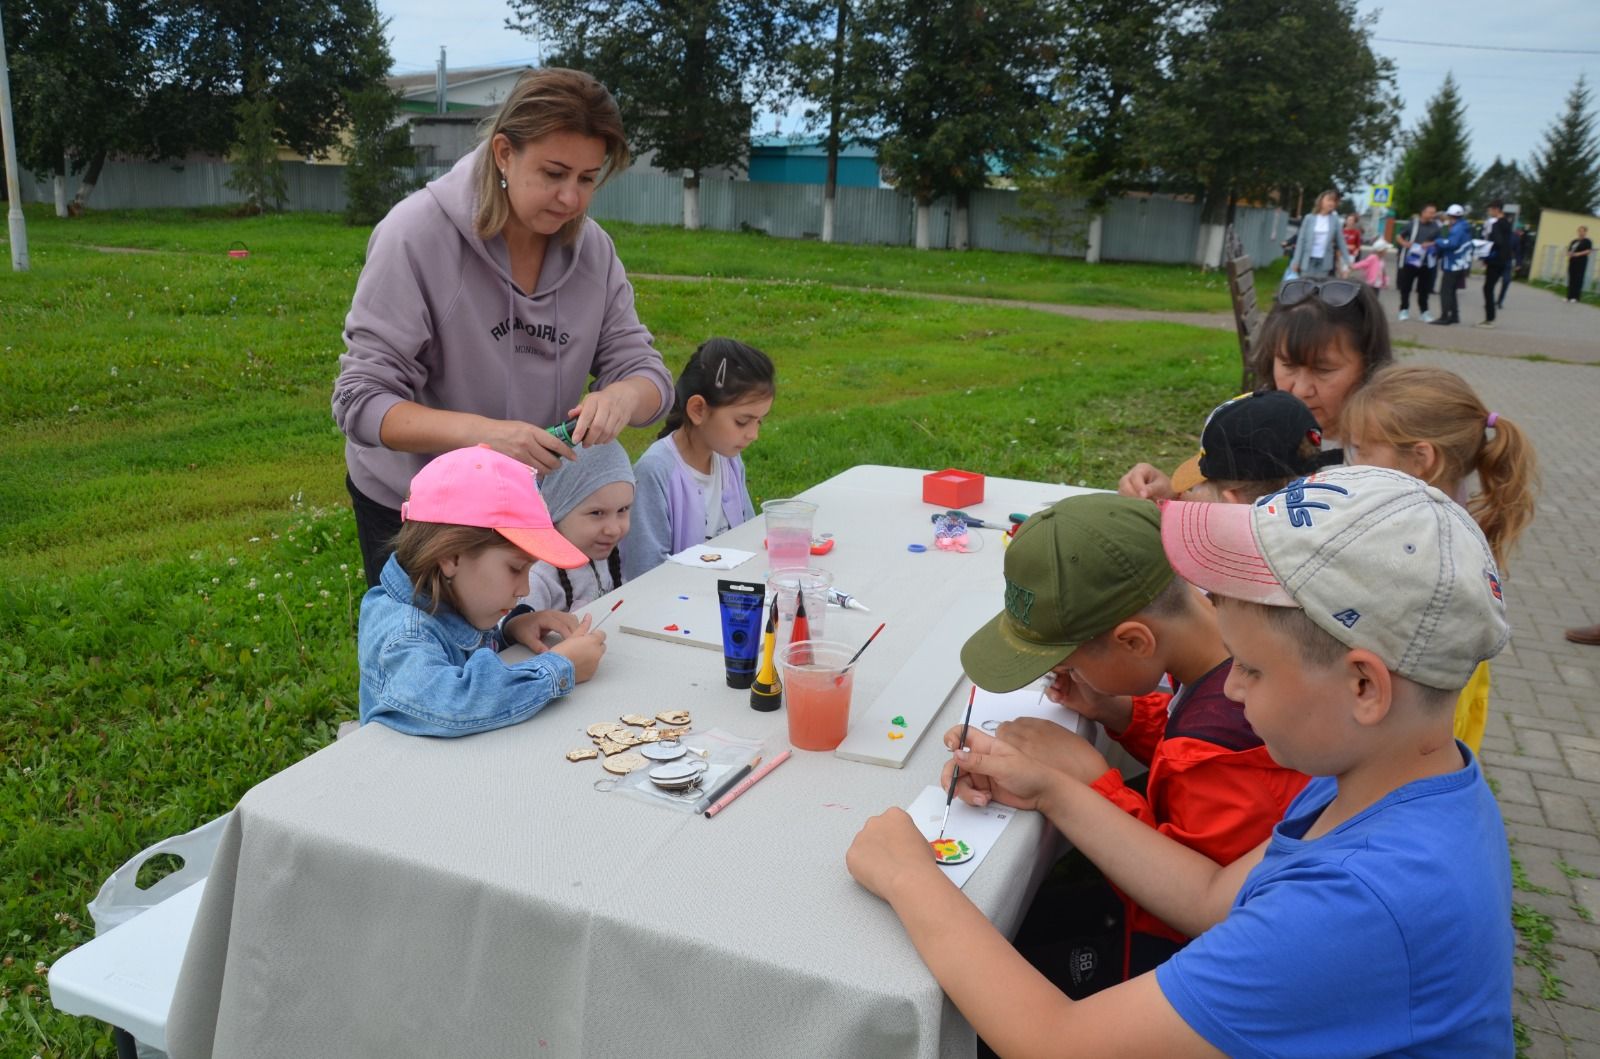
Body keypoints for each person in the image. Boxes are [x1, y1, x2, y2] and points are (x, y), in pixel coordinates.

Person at [846, 466, 1513, 1056]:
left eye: (1251, 667)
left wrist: (910, 875)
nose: (1229, 687)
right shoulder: (1396, 776)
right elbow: (1210, 896)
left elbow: (1056, 1040)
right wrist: (1053, 787)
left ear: (1364, 686)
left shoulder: (1356, 906)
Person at [333, 68, 674, 588]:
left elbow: (647, 373)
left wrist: (625, 396)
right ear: (503, 154)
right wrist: (485, 438)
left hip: (523, 500)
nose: (570, 200)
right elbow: (360, 401)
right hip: (421, 510)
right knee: (425, 660)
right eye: (554, 173)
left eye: (587, 179)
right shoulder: (415, 236)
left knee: (515, 647)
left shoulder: (594, 252)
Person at [959, 494, 1310, 996]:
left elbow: (1183, 897)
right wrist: (1120, 713)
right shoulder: (1224, 651)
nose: (1065, 676)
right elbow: (1185, 744)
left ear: (1134, 641)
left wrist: (1087, 780)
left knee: (988, 972)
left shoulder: (1227, 740)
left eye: (1072, 664)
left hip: (1179, 969)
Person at [1342, 365, 1538, 753]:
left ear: (1421, 459)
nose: (1352, 463)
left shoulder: (1420, 555)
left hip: (1409, 748)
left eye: (1362, 449)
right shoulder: (1443, 526)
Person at [358, 446, 608, 737]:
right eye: (515, 569)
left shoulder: (453, 594)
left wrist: (510, 630)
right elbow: (453, 703)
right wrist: (559, 667)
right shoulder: (405, 634)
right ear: (451, 558)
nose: (525, 588)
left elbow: (463, 655)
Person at [1119, 280, 1391, 500]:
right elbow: (1211, 491)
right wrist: (1166, 494)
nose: (1299, 389)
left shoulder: (1383, 459)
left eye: (1323, 370)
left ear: (1368, 367)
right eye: (1288, 365)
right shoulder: (1255, 427)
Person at [625, 338, 775, 580]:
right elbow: (644, 573)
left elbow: (749, 537)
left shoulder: (730, 461)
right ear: (698, 410)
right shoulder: (654, 472)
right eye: (742, 421)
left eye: (760, 421)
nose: (753, 434)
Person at [514, 441, 634, 615]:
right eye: (597, 513)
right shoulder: (535, 580)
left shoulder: (600, 552)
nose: (613, 530)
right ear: (556, 508)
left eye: (622, 510)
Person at [1286, 190, 1353, 280]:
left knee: (1319, 290)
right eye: (1329, 200)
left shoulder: (1335, 220)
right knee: (1305, 288)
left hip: (1324, 262)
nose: (1331, 203)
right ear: (1321, 201)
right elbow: (1301, 241)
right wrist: (1296, 261)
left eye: (1334, 201)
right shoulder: (1309, 218)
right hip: (1308, 260)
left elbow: (1341, 242)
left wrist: (1348, 261)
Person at [1395, 202, 1441, 322]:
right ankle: (1403, 310)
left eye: (1434, 212)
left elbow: (1439, 241)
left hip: (1427, 262)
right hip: (1411, 260)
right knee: (1406, 287)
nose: (1433, 215)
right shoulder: (1412, 224)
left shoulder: (1436, 226)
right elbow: (1399, 236)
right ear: (1423, 212)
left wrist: (1430, 244)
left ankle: (1424, 312)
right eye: (1430, 212)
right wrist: (1405, 244)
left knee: (1424, 289)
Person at [1432, 204, 1474, 326]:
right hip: (1460, 264)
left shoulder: (1457, 228)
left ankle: (1445, 317)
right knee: (1452, 291)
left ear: (1451, 216)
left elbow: (1452, 243)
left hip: (1453, 263)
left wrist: (1437, 241)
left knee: (1445, 291)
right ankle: (1454, 315)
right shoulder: (1464, 226)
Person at [1478, 201, 1513, 328]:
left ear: (1496, 210)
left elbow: (1497, 242)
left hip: (1495, 260)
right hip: (1503, 260)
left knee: (1488, 288)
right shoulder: (1507, 223)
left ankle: (1490, 318)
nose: (1489, 212)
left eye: (1490, 210)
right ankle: (1490, 317)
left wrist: (1486, 249)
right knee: (1489, 287)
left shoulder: (1497, 224)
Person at [1498, 225, 1522, 309]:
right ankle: (1498, 301)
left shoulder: (1515, 238)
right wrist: (1518, 264)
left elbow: (1517, 251)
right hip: (1502, 261)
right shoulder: (1514, 238)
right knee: (1505, 281)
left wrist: (1518, 263)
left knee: (1505, 281)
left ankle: (1499, 301)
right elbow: (1518, 252)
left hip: (1505, 261)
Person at [1569, 226, 1594, 303]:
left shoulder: (1587, 241)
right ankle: (1569, 296)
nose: (1581, 233)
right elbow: (1569, 250)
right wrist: (1569, 253)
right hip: (1573, 261)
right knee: (1571, 278)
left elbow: (1588, 251)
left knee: (1578, 279)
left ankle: (1576, 297)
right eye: (1579, 231)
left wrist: (1578, 254)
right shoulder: (1574, 241)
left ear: (1585, 232)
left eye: (1582, 231)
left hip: (1581, 261)